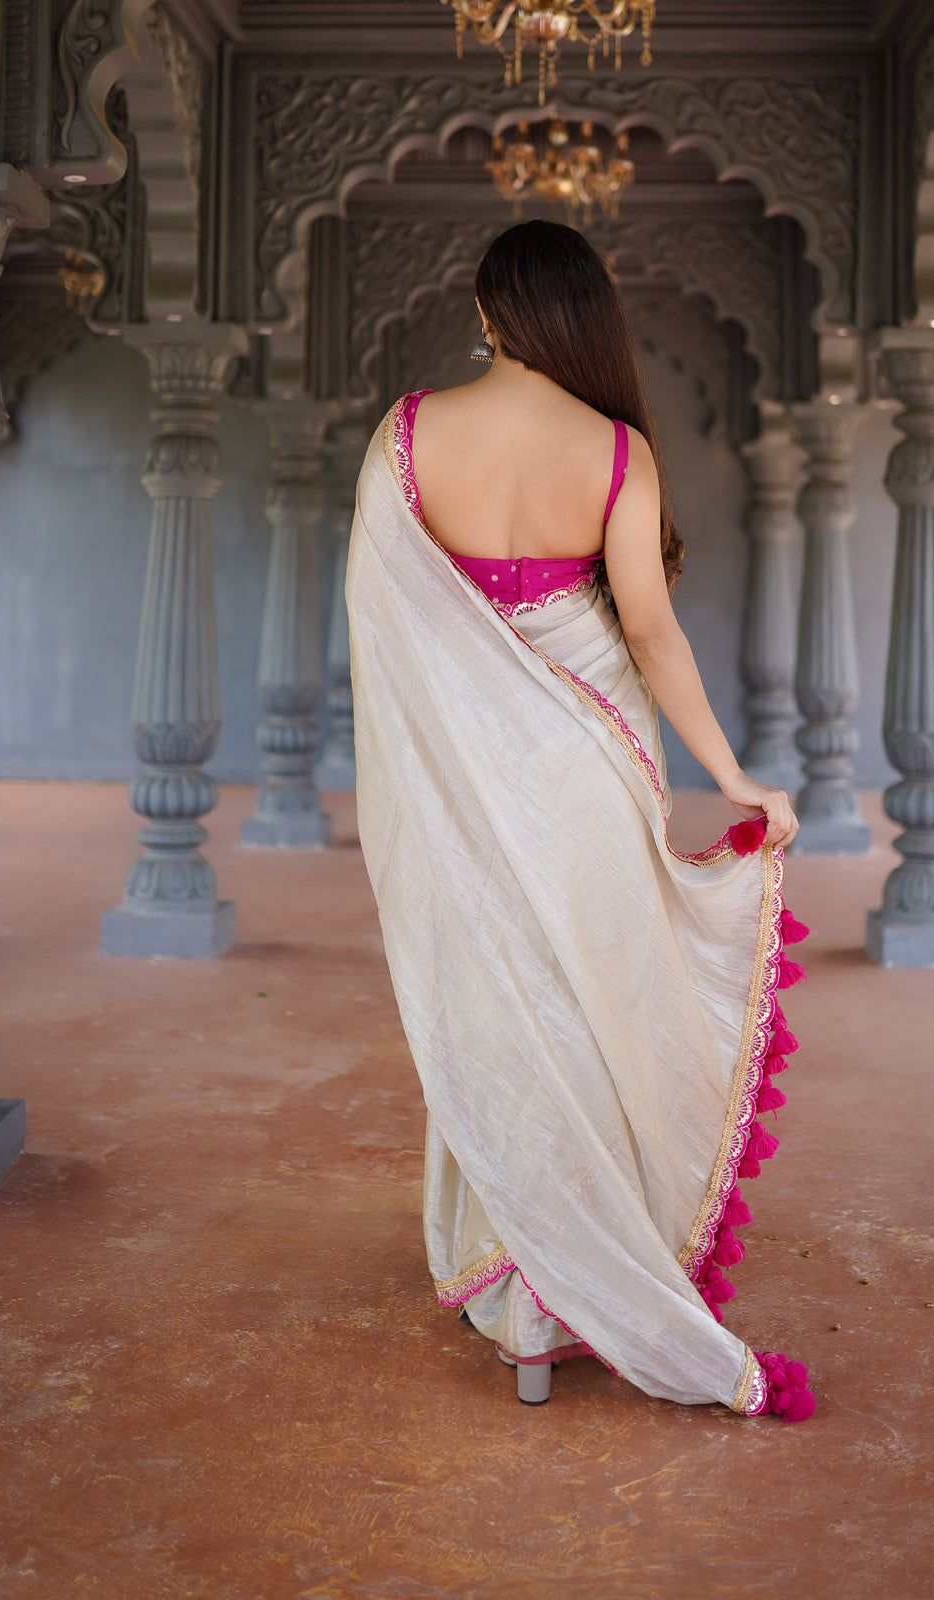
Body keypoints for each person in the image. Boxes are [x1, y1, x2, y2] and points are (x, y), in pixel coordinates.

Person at [345, 219, 815, 1421]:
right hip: (589, 786)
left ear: (490, 312)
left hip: (463, 795)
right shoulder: (615, 453)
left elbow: (388, 641)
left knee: (501, 1019)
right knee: (593, 1016)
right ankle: (581, 1290)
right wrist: (736, 775)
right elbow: (649, 638)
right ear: (580, 317)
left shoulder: (405, 438)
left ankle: (530, 1323)